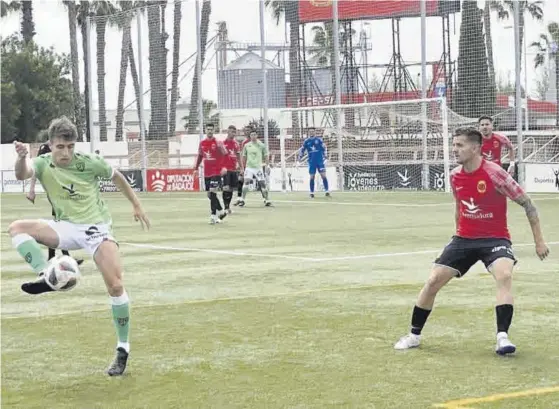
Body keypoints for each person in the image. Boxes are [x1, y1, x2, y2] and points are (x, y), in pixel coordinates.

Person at [9, 116, 151, 376]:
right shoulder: (42, 162)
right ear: (50, 145)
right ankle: (45, 274)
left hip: (96, 228)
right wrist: (20, 157)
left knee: (116, 285)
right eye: (60, 147)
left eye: (70, 146)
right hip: (65, 227)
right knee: (17, 228)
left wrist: (137, 204)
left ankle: (123, 349)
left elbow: (117, 176)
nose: (66, 153)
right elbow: (23, 173)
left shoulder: (89, 163)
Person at [394, 127, 549, 355]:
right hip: (464, 239)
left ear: (475, 148)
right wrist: (457, 233)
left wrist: (539, 242)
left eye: (459, 145)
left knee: (504, 275)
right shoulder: (455, 175)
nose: (455, 149)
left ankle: (502, 338)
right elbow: (459, 205)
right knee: (433, 280)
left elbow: (528, 204)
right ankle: (414, 335)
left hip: (495, 238)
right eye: (454, 145)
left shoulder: (495, 173)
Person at [26, 142, 84, 266]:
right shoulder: (45, 148)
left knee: (62, 222)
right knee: (61, 222)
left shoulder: (62, 148)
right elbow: (36, 169)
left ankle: (56, 257)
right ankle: (59, 257)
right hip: (54, 191)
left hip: (63, 190)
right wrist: (31, 189)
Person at [193, 123, 228, 224]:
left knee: (213, 192)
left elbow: (226, 155)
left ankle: (213, 215)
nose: (209, 131)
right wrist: (195, 169)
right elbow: (200, 156)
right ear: (205, 130)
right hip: (207, 172)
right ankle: (221, 211)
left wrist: (224, 167)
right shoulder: (202, 143)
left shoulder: (218, 143)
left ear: (214, 130)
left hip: (216, 172)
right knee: (210, 195)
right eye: (208, 129)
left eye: (211, 129)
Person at [238, 129, 272, 207]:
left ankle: (266, 200)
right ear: (250, 136)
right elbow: (244, 156)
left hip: (258, 168)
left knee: (262, 184)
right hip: (249, 167)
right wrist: (242, 167)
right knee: (246, 182)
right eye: (251, 135)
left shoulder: (261, 145)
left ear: (257, 135)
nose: (253, 136)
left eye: (254, 135)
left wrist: (268, 165)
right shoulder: (246, 145)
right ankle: (242, 200)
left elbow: (266, 155)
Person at [297, 127, 330, 198]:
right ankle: (311, 193)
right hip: (312, 162)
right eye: (310, 131)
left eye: (313, 131)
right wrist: (299, 159)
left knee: (323, 175)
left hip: (320, 161)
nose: (311, 132)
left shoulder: (319, 140)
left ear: (315, 132)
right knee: (312, 177)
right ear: (308, 132)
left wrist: (326, 157)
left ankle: (327, 191)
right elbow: (302, 150)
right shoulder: (306, 141)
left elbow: (324, 148)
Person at [222, 125, 242, 213]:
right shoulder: (222, 143)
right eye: (231, 132)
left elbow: (239, 157)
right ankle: (226, 207)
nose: (233, 134)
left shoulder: (236, 144)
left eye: (234, 132)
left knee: (230, 189)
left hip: (233, 169)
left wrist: (241, 168)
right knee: (226, 188)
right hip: (225, 169)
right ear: (228, 132)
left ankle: (228, 207)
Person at [235, 126, 253, 205]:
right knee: (240, 180)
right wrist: (240, 164)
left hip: (254, 165)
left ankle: (266, 199)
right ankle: (239, 199)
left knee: (261, 182)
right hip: (245, 165)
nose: (246, 132)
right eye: (245, 130)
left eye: (248, 130)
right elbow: (241, 153)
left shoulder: (256, 141)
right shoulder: (244, 142)